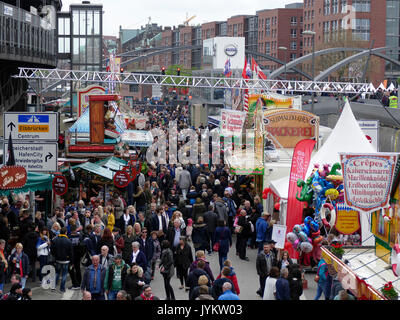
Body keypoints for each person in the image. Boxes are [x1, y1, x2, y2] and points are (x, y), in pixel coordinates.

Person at [68, 224, 83, 289]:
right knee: (78, 269)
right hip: (78, 256)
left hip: (71, 257)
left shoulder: (69, 237)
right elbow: (82, 245)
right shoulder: (79, 236)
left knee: (71, 270)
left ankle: (75, 284)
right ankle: (79, 283)